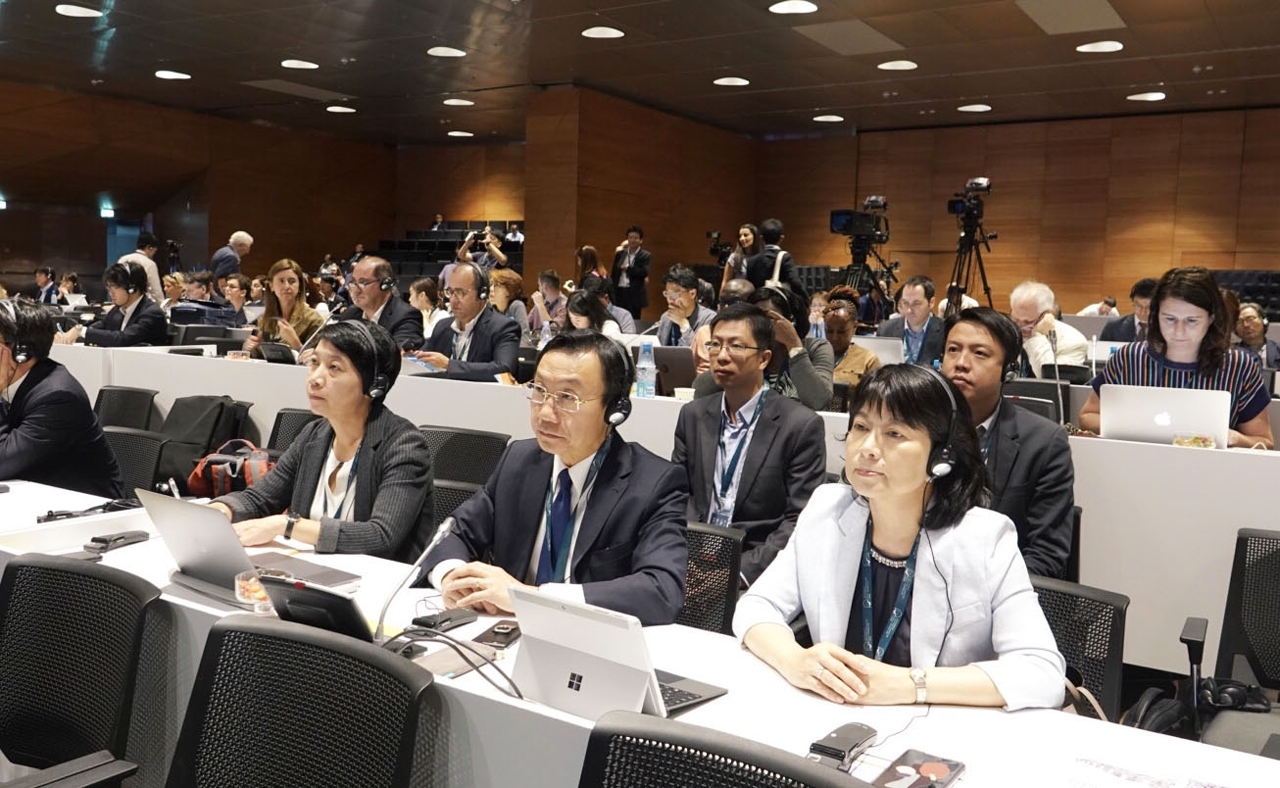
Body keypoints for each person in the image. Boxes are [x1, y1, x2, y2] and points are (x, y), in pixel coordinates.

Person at [732, 364, 1066, 710]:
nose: (868, 447)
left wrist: (911, 685)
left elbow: (1041, 673)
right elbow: (756, 606)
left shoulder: (986, 538)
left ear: (941, 456)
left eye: (894, 433)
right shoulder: (826, 510)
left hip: (938, 728)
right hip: (835, 716)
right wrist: (795, 661)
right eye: (861, 427)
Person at [420, 331, 689, 625]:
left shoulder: (654, 483)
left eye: (567, 398)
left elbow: (662, 590)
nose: (546, 414)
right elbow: (453, 533)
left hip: (589, 638)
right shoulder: (519, 460)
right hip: (505, 630)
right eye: (539, 390)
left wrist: (531, 597)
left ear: (615, 410)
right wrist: (453, 577)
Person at [210, 321, 433, 562]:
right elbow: (260, 499)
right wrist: (218, 512)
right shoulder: (314, 435)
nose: (315, 378)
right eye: (314, 363)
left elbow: (381, 536)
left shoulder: (404, 445)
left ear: (375, 385)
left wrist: (287, 525)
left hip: (376, 578)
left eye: (334, 367)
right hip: (311, 570)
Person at [673, 303, 826, 583]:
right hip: (689, 559)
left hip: (753, 570)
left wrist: (738, 574)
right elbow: (676, 495)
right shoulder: (693, 415)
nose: (722, 356)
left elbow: (799, 519)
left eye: (736, 346)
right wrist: (679, 556)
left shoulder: (799, 425)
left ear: (764, 359)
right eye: (715, 345)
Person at [941, 308, 1075, 578]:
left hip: (1001, 590)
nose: (961, 363)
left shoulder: (1044, 443)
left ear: (1009, 371)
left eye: (979, 353)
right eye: (953, 350)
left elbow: (1046, 555)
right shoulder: (916, 428)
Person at [1080, 267, 1274, 449]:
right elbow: (1088, 416)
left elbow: (1264, 441)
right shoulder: (1129, 359)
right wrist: (1128, 426)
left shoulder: (1238, 366)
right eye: (1169, 319)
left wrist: (1235, 438)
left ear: (1211, 318)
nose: (1179, 331)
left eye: (1192, 321)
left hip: (1211, 470)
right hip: (1135, 465)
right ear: (1156, 316)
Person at [0, 299, 121, 498]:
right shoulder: (17, 382)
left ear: (21, 352)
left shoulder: (58, 397)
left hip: (88, 507)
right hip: (34, 495)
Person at [416, 262, 520, 381]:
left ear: (482, 294)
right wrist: (412, 357)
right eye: (450, 292)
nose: (453, 300)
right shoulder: (443, 326)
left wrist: (449, 365)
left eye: (461, 293)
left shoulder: (503, 327)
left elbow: (504, 369)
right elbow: (423, 360)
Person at [54, 262, 167, 347]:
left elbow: (123, 339)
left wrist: (82, 331)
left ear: (132, 288)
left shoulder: (152, 313)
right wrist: (68, 335)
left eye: (115, 287)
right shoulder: (117, 310)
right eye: (109, 288)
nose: (111, 293)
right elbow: (99, 327)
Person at [336, 257, 425, 350]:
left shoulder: (406, 315)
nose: (356, 290)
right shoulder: (351, 313)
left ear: (385, 284)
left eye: (363, 283)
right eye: (353, 282)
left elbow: (397, 354)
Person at [244, 259, 325, 355]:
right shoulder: (265, 318)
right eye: (281, 281)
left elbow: (316, 360)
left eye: (292, 281)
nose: (287, 286)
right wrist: (252, 348)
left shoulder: (314, 320)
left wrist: (295, 343)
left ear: (299, 286)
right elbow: (263, 357)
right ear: (271, 286)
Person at [1008, 281, 1088, 378]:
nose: (1020, 327)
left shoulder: (1073, 342)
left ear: (1048, 314)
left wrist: (1036, 338)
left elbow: (1050, 379)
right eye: (1015, 320)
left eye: (1028, 322)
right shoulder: (1005, 333)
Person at [876, 275, 944, 368]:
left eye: (916, 303)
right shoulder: (886, 330)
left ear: (931, 302)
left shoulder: (945, 331)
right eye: (905, 303)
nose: (909, 310)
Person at [825, 288, 882, 388]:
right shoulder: (813, 356)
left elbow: (875, 395)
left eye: (841, 332)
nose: (834, 337)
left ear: (854, 327)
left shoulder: (868, 360)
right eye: (829, 331)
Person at [657, 264, 715, 348]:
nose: (670, 299)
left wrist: (683, 323)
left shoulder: (709, 319)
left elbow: (703, 352)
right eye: (667, 293)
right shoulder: (666, 317)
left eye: (675, 293)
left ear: (692, 294)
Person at [744, 218, 807, 296]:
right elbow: (795, 282)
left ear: (761, 238)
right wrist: (805, 299)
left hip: (757, 301)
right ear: (781, 238)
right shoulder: (785, 258)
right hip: (777, 301)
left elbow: (749, 285)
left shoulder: (750, 261)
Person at [611, 225, 651, 319]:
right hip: (619, 292)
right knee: (618, 319)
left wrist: (628, 268)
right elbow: (614, 273)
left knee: (634, 320)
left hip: (634, 294)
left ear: (641, 240)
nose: (632, 240)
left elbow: (644, 272)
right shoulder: (620, 254)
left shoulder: (645, 255)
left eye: (636, 238)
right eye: (630, 237)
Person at [1100, 278, 1158, 342]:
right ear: (1133, 303)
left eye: (1149, 307)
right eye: (1139, 306)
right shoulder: (1113, 326)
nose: (1143, 312)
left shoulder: (1164, 327)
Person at [116, 231, 165, 305]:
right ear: (150, 247)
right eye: (154, 250)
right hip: (141, 304)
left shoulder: (122, 259)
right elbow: (155, 290)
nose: (154, 253)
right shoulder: (149, 264)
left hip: (122, 301)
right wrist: (162, 306)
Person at [719, 223, 763, 292]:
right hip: (738, 295)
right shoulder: (734, 257)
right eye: (740, 236)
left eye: (746, 235)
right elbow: (725, 281)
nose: (742, 239)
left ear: (755, 236)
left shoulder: (762, 256)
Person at [1236, 302, 1280, 368]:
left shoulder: (1278, 349)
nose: (1246, 325)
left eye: (1250, 319)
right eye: (1239, 322)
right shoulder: (1231, 354)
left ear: (1264, 321)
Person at [488, 268, 530, 335]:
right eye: (490, 285)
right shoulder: (490, 309)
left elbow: (524, 335)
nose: (491, 289)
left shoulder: (516, 305)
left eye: (496, 285)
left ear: (508, 290)